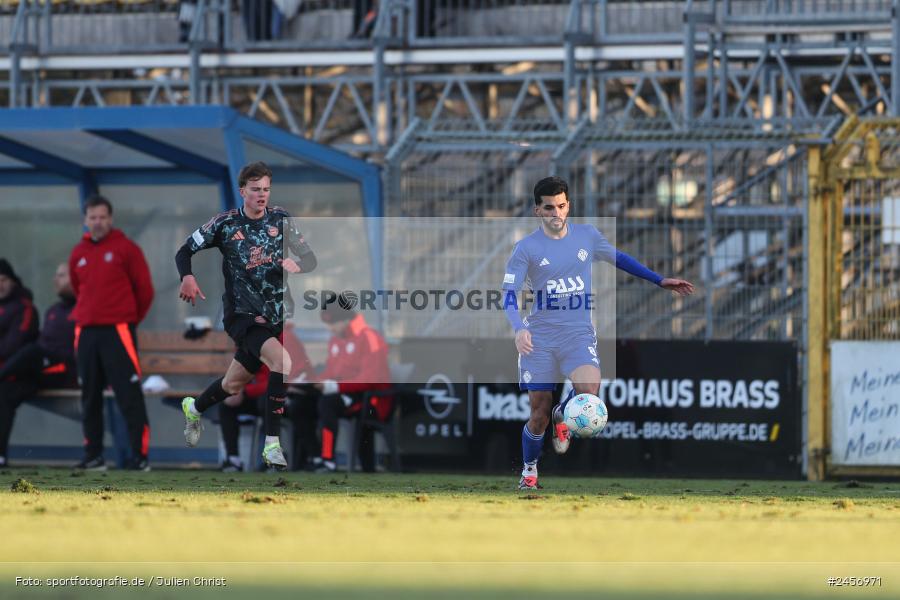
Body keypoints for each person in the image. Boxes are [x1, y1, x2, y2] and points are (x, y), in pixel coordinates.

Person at [503, 176, 694, 490]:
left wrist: (659, 280)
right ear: (537, 210)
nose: (556, 213)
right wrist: (519, 328)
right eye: (549, 207)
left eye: (562, 206)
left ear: (569, 206)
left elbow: (619, 258)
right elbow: (508, 293)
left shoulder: (587, 237)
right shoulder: (526, 249)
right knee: (538, 411)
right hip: (539, 338)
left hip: (577, 334)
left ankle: (562, 416)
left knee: (589, 394)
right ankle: (529, 471)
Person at [176, 161, 317, 470]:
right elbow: (184, 251)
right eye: (255, 190)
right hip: (241, 314)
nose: (261, 195)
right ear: (243, 192)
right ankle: (271, 445)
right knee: (282, 362)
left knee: (233, 384)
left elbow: (310, 259)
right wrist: (187, 277)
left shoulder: (282, 220)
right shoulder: (225, 224)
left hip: (274, 316)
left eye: (266, 189)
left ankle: (195, 408)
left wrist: (298, 265)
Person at [69, 195, 155, 472]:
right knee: (89, 396)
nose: (98, 223)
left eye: (102, 217)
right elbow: (76, 287)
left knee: (128, 395)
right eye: (92, 217)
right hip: (85, 332)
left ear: (111, 218)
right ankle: (93, 455)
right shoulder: (78, 253)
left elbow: (145, 292)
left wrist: (127, 320)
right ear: (85, 220)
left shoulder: (126, 249)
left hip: (118, 331)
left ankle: (139, 457)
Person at [0, 263, 77, 467]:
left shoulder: (85, 309)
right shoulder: (54, 310)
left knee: (31, 352)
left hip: (65, 370)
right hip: (39, 370)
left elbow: (14, 344)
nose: (55, 279)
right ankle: (1, 456)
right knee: (5, 391)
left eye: (61, 275)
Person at [311, 297, 391, 473]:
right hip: (347, 395)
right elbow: (331, 371)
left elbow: (370, 379)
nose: (330, 328)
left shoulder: (369, 337)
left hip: (371, 400)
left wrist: (336, 387)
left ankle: (328, 460)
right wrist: (312, 381)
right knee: (303, 402)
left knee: (327, 403)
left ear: (346, 318)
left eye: (333, 323)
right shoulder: (335, 340)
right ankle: (312, 457)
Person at [217, 327, 314, 472]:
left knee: (268, 402)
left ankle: (274, 459)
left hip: (287, 394)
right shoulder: (249, 334)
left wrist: (247, 390)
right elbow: (243, 367)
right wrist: (237, 387)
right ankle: (233, 459)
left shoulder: (286, 338)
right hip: (260, 392)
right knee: (227, 404)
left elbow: (284, 378)